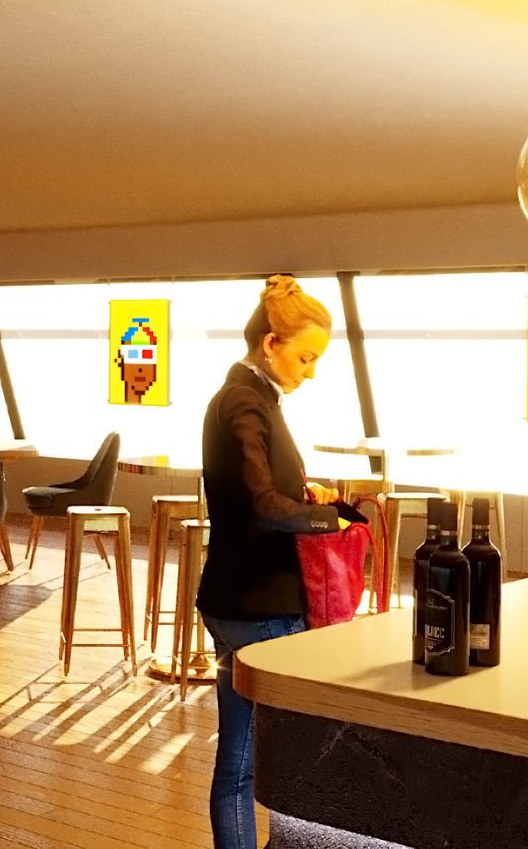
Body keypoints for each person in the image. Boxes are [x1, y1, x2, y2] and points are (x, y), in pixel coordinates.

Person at [198, 274, 341, 849]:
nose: (311, 372)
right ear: (270, 345)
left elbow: (255, 492)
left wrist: (306, 497)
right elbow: (260, 504)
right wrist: (330, 520)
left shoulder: (246, 399)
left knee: (238, 761)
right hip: (261, 607)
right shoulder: (245, 403)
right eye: (306, 358)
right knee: (289, 762)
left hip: (231, 599)